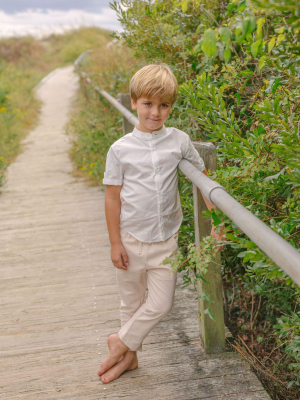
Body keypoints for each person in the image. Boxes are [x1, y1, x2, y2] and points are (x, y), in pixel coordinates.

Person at [97, 64, 222, 384]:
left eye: (164, 105)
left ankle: (120, 342)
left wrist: (217, 219)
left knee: (162, 303)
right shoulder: (120, 149)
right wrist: (115, 243)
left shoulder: (179, 141)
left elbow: (203, 179)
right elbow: (112, 198)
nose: (156, 112)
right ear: (134, 102)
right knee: (131, 302)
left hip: (166, 240)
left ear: (171, 107)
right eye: (148, 104)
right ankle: (130, 358)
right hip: (130, 239)